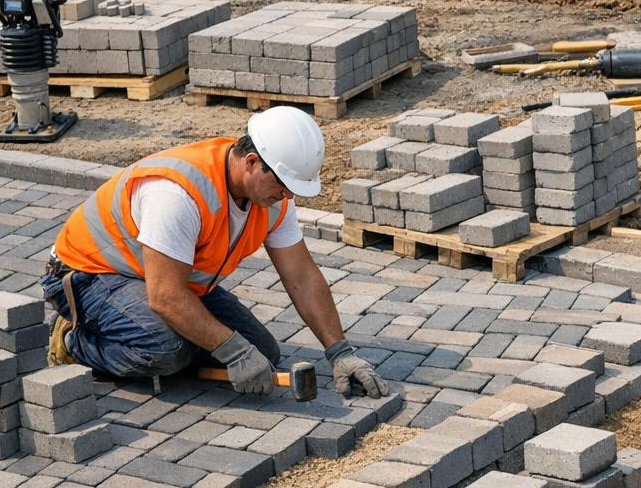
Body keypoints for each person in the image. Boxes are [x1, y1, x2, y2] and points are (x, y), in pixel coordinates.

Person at [42, 107, 387, 399]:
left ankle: (170, 338)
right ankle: (74, 341)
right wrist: (231, 350)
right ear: (252, 162)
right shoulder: (178, 194)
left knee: (264, 354)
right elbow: (164, 296)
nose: (287, 196)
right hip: (90, 276)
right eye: (283, 186)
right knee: (165, 350)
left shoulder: (271, 199)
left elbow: (302, 277)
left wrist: (339, 351)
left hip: (167, 277)